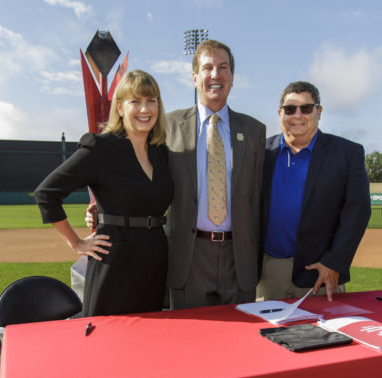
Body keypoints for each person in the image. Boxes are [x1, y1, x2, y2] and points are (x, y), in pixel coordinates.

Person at [34, 70, 173, 317]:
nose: (145, 109)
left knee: (149, 334)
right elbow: (46, 193)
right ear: (120, 107)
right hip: (114, 260)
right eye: (135, 101)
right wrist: (76, 243)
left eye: (151, 101)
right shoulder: (101, 148)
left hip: (154, 260)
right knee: (108, 335)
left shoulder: (161, 152)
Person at [164, 39, 266, 309]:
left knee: (240, 333)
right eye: (207, 68)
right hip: (188, 256)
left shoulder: (254, 131)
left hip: (239, 257)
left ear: (232, 77)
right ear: (194, 77)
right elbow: (146, 178)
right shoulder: (168, 125)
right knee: (189, 334)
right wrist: (102, 208)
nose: (215, 74)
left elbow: (258, 196)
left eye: (223, 67)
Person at [257, 81, 371, 302]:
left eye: (306, 108)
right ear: (280, 113)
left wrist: (335, 262)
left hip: (319, 272)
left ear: (318, 112)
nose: (298, 115)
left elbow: (358, 212)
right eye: (290, 109)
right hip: (267, 272)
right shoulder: (260, 152)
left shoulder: (347, 153)